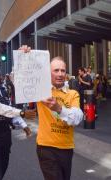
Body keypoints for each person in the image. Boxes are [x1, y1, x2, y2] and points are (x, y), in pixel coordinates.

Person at [20, 46, 83, 180]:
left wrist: (59, 109)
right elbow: (19, 80)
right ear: (48, 73)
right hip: (46, 147)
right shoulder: (40, 89)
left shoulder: (73, 94)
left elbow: (77, 118)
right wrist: (23, 57)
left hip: (66, 148)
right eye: (56, 70)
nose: (60, 74)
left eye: (63, 70)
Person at [0, 63, 36, 180]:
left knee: (4, 163)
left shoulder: (3, 91)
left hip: (4, 132)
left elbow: (10, 110)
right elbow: (0, 108)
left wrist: (24, 126)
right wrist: (22, 113)